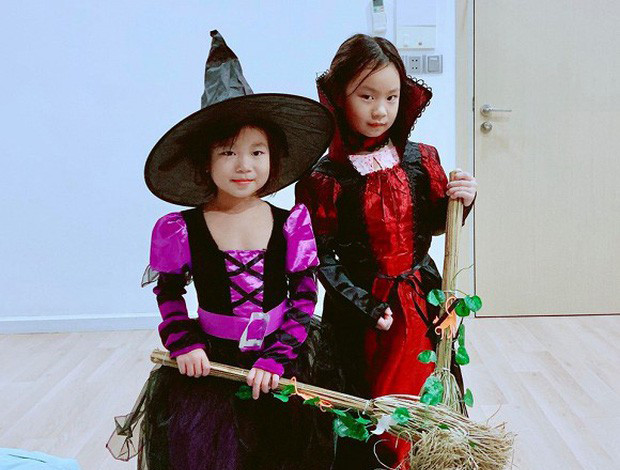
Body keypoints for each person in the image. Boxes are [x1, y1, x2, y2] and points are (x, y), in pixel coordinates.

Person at [107, 30, 335, 470]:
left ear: (273, 157)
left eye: (257, 151)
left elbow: (305, 296)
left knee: (280, 452)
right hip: (212, 362)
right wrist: (184, 343)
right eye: (228, 152)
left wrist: (278, 355)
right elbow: (169, 293)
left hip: (280, 358)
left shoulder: (290, 223)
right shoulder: (181, 229)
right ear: (206, 161)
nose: (244, 165)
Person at [295, 34, 477, 469]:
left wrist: (463, 201)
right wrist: (366, 305)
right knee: (367, 406)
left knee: (426, 390)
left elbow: (434, 224)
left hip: (421, 302)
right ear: (339, 98)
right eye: (367, 96)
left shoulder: (420, 158)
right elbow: (320, 256)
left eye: (391, 97)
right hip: (362, 312)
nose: (380, 110)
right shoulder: (324, 178)